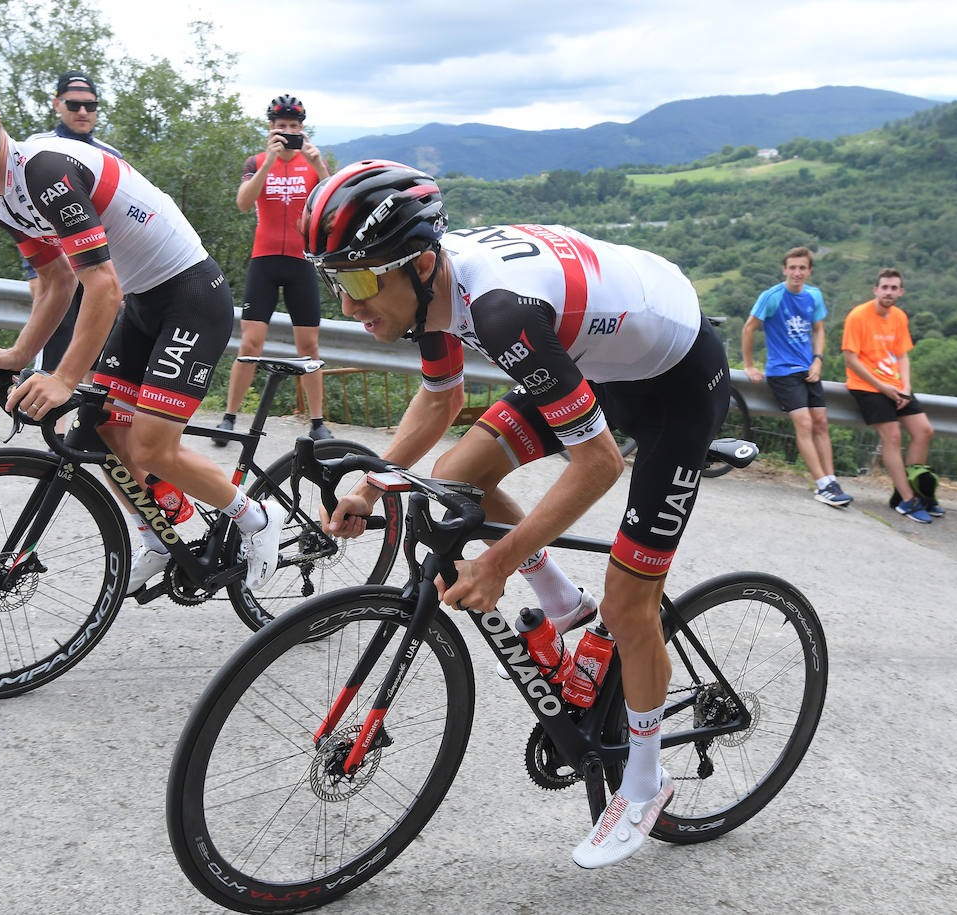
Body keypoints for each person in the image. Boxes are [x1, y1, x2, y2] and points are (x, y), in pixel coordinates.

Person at [307, 161, 730, 869]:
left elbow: (598, 463)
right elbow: (438, 403)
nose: (347, 304)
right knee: (453, 475)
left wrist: (498, 562)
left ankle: (645, 782)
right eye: (333, 281)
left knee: (630, 606)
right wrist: (374, 487)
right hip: (597, 358)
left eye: (355, 281)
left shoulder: (499, 310)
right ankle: (562, 599)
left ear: (415, 264)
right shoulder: (431, 289)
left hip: (676, 383)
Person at [0, 54, 283, 593]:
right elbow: (57, 281)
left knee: (150, 446)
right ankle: (157, 535)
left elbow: (102, 284)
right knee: (99, 428)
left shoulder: (44, 171)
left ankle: (257, 519)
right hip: (145, 303)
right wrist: (17, 355)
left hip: (192, 295)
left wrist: (62, 377)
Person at [214, 94, 332, 445]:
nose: (287, 132)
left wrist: (320, 166)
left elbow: (331, 210)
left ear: (302, 130)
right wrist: (267, 163)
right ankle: (229, 418)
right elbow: (242, 202)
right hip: (264, 260)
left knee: (308, 347)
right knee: (250, 342)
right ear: (270, 127)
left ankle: (318, 422)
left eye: (294, 127)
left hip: (300, 262)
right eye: (281, 126)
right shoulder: (255, 161)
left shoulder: (312, 166)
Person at [22, 71, 123, 374]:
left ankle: (82, 423)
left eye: (90, 106)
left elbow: (116, 221)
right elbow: (25, 212)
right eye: (74, 104)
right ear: (57, 104)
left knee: (93, 365)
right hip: (58, 267)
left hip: (99, 268)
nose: (83, 112)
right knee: (50, 364)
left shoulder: (112, 154)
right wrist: (34, 272)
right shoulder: (37, 145)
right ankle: (41, 421)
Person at [742, 247, 851, 507]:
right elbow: (749, 328)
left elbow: (819, 330)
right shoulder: (772, 296)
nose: (797, 273)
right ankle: (823, 485)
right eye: (792, 267)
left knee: (821, 423)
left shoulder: (814, 295)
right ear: (784, 269)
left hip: (808, 369)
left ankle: (832, 480)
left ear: (809, 270)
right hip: (782, 371)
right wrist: (749, 365)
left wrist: (818, 359)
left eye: (802, 268)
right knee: (804, 424)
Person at [841, 268, 939, 523]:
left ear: (901, 292)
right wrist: (883, 388)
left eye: (894, 288)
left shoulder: (899, 317)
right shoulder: (858, 316)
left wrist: (905, 386)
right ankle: (908, 500)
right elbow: (850, 359)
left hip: (896, 385)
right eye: (884, 287)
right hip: (866, 385)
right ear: (876, 289)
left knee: (924, 431)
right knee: (892, 436)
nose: (889, 292)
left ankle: (909, 489)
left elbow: (902, 355)